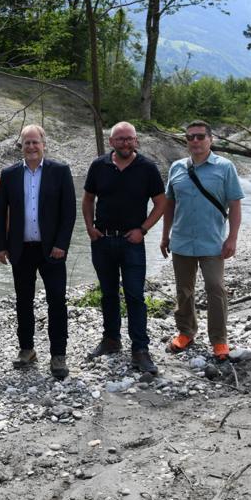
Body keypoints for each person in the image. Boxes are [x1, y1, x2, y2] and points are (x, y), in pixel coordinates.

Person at [82, 122, 166, 375]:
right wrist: (89, 227)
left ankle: (140, 349)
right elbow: (88, 199)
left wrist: (143, 230)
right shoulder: (99, 166)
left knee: (135, 296)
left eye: (129, 139)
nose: (125, 143)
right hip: (103, 240)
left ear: (136, 141)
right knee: (107, 293)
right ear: (111, 142)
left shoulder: (148, 168)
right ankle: (111, 340)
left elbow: (161, 203)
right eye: (120, 139)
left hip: (132, 242)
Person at [0, 124, 76, 379]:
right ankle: (27, 349)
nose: (31, 147)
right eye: (26, 143)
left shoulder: (60, 171)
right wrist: (0, 247)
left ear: (43, 144)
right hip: (21, 249)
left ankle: (58, 354)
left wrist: (62, 244)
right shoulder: (9, 174)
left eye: (35, 142)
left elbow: (69, 212)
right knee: (23, 301)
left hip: (52, 250)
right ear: (21, 146)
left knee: (56, 302)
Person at [161, 120, 244, 361]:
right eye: (190, 137)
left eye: (200, 136)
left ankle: (219, 340)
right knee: (183, 290)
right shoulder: (176, 168)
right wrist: (165, 235)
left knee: (215, 288)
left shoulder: (225, 167)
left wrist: (232, 238)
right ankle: (186, 332)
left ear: (210, 139)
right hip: (182, 241)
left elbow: (235, 205)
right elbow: (169, 205)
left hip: (212, 242)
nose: (195, 141)